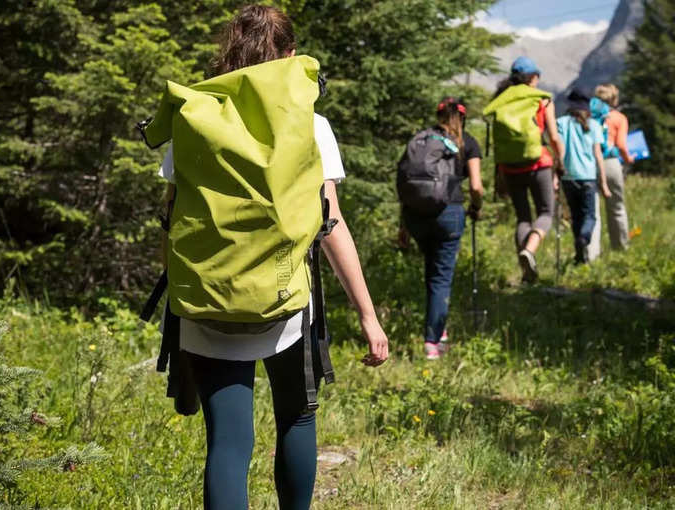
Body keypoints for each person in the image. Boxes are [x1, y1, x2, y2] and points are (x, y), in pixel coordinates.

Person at [150, 6, 389, 509]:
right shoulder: (311, 124)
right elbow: (331, 224)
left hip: (206, 303)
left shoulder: (192, 119)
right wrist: (368, 315)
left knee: (228, 446)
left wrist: (181, 307)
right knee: (297, 418)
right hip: (286, 301)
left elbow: (172, 226)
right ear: (290, 56)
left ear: (228, 55)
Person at [398, 97, 484, 360]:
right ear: (463, 117)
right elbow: (476, 187)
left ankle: (439, 328)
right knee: (441, 278)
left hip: (415, 217)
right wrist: (476, 207)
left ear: (439, 116)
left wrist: (403, 225)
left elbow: (406, 183)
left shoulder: (423, 140)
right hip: (449, 214)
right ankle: (432, 341)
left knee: (432, 273)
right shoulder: (467, 143)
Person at [483, 56, 565, 283]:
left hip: (509, 167)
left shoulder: (502, 100)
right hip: (538, 163)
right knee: (547, 212)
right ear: (532, 77)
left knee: (523, 217)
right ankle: (530, 250)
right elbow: (554, 138)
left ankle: (526, 271)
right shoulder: (542, 100)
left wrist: (500, 174)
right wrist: (560, 162)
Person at [557, 90, 611, 264]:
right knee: (590, 216)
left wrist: (556, 174)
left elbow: (560, 150)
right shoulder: (594, 125)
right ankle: (584, 239)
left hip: (568, 177)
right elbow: (598, 156)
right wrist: (603, 183)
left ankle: (579, 254)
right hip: (588, 176)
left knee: (576, 215)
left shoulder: (562, 123)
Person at [588, 83, 634, 254]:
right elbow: (621, 144)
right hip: (611, 163)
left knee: (593, 210)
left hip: (591, 163)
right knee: (617, 207)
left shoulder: (589, 117)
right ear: (614, 99)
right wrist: (628, 158)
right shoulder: (619, 118)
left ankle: (592, 252)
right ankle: (621, 247)